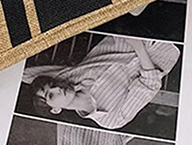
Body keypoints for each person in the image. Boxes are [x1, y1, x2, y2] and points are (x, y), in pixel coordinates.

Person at [22, 35, 180, 131]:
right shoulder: (111, 119)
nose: (57, 88)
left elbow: (27, 74)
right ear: (56, 110)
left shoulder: (68, 77)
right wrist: (139, 48)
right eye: (50, 95)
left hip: (134, 29)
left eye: (53, 84)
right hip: (165, 49)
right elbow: (150, 84)